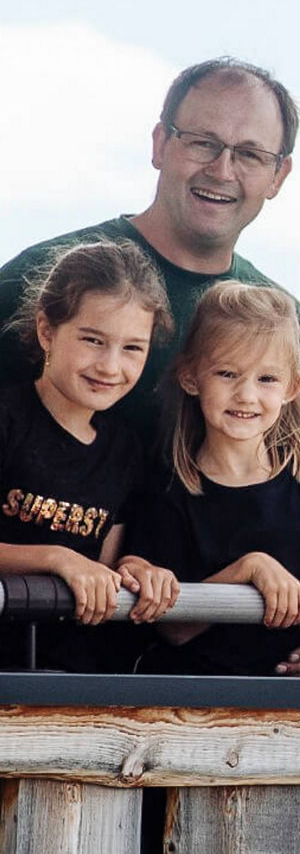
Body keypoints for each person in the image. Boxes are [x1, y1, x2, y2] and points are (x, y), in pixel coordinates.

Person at [0, 56, 300, 676]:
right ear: (160, 143)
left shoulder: (284, 321)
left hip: (173, 673)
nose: (222, 169)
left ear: (279, 174)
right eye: (203, 142)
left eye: (249, 153)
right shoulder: (42, 277)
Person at [124, 281, 300, 676]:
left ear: (293, 388)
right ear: (190, 377)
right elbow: (173, 628)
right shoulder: (167, 487)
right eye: (228, 373)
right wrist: (248, 570)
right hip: (200, 701)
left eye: (267, 379)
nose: (246, 395)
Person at [0, 240, 179, 671]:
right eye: (93, 340)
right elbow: (73, 562)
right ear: (47, 331)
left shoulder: (125, 451)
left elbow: (105, 566)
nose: (110, 366)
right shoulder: (7, 420)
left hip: (70, 684)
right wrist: (55, 558)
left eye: (132, 348)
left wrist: (137, 570)